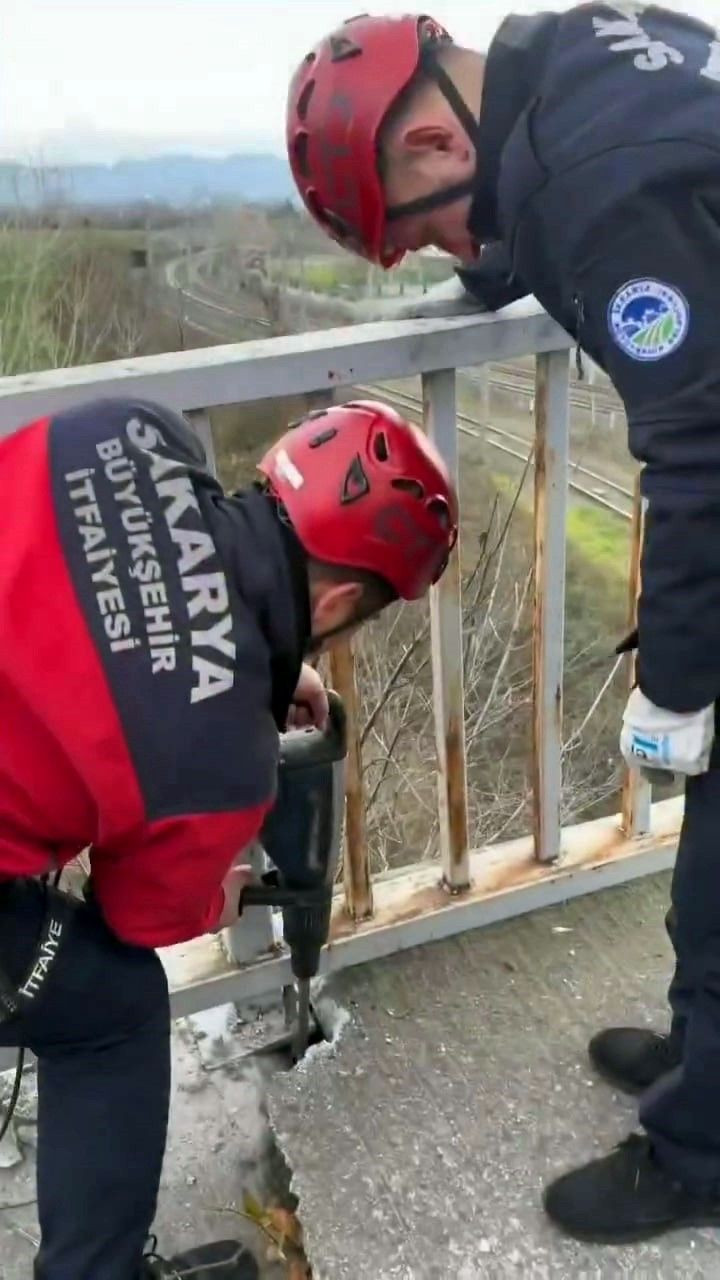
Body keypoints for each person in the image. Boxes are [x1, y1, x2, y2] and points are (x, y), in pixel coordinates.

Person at [287, 2, 720, 1246]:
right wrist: (497, 254)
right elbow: (549, 198)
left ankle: (702, 1150)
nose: (447, 254)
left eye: (426, 237)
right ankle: (701, 1048)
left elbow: (703, 448)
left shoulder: (593, 185)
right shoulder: (579, 56)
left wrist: (678, 685)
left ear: (430, 142)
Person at [0, 394, 458, 1279]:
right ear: (338, 603)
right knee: (113, 1008)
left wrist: (253, 677)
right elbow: (137, 915)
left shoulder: (131, 428)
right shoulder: (220, 766)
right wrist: (219, 869)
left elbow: (133, 601)